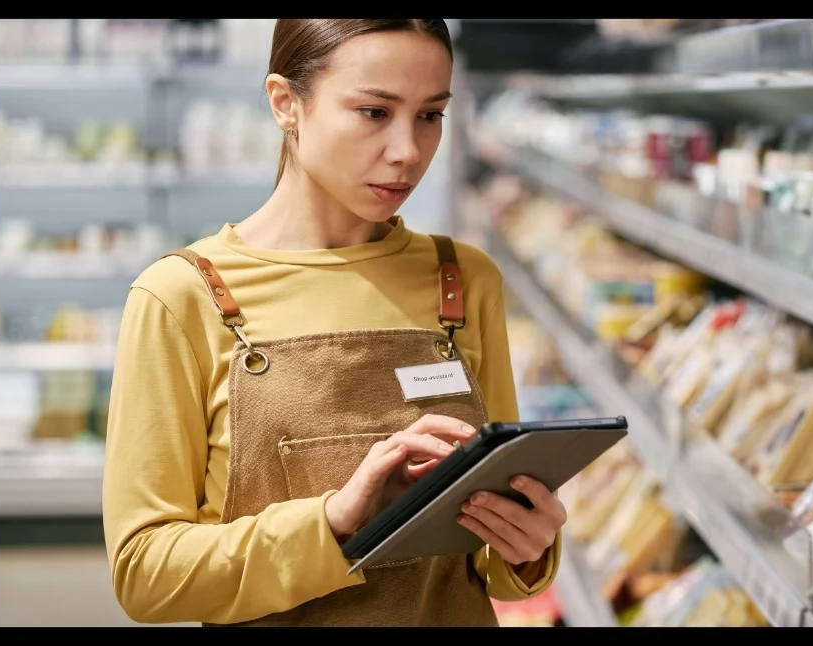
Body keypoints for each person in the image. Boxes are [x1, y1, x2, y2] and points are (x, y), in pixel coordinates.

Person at [101, 19, 565, 627]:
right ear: (285, 103)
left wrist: (526, 548)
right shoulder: (183, 296)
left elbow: (488, 557)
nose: (408, 150)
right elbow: (145, 575)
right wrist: (334, 523)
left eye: (431, 115)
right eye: (375, 112)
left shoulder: (464, 279)